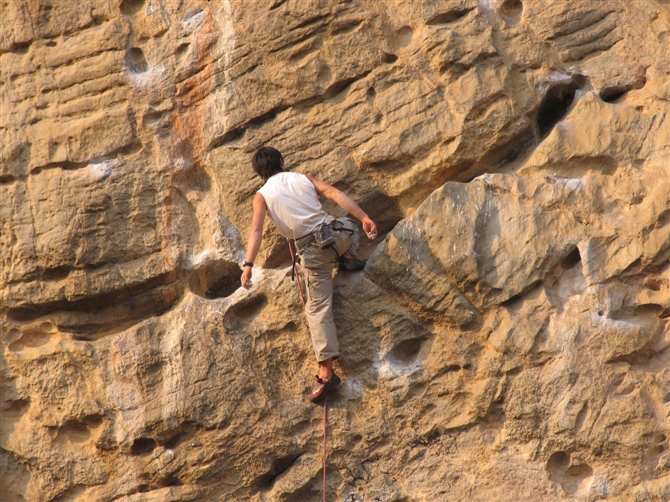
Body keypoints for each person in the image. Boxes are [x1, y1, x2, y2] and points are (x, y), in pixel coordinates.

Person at [240, 147, 377, 402]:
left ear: (260, 173)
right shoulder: (304, 178)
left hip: (314, 252)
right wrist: (364, 217)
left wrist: (248, 264)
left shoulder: (262, 195)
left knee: (317, 309)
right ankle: (348, 256)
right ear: (282, 162)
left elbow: (256, 231)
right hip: (338, 235)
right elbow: (336, 194)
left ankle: (326, 374)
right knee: (348, 223)